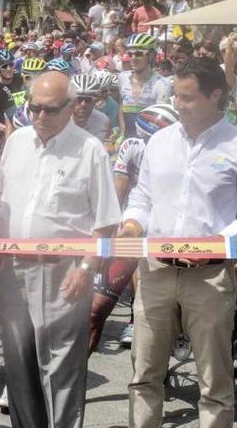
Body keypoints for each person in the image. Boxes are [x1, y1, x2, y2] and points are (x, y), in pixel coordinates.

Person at [119, 57, 237, 427]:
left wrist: (214, 244)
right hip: (155, 270)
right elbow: (143, 197)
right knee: (144, 373)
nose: (178, 104)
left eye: (187, 98)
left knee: (214, 381)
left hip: (210, 275)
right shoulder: (159, 142)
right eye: (176, 95)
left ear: (215, 95)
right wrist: (131, 224)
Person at [0, 70, 122, 427]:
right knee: (18, 365)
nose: (40, 117)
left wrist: (86, 269)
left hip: (65, 272)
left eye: (49, 110)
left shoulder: (89, 150)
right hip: (15, 269)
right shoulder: (17, 143)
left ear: (71, 107)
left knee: (61, 370)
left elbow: (106, 222)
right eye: (34, 109)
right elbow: (0, 207)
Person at [89, 103, 180, 355]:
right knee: (96, 308)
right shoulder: (132, 146)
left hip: (165, 232)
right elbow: (119, 190)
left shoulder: (183, 153)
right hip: (133, 223)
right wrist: (113, 228)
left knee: (151, 305)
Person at [118, 33, 172, 137]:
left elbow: (160, 120)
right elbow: (121, 105)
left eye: (139, 54)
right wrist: (122, 132)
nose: (133, 58)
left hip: (150, 138)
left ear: (151, 56)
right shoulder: (122, 78)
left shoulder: (163, 84)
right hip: (127, 137)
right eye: (130, 54)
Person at [70, 74, 111, 141]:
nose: (83, 104)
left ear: (95, 101)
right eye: (79, 99)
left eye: (88, 100)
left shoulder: (103, 121)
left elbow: (108, 146)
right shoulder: (59, 120)